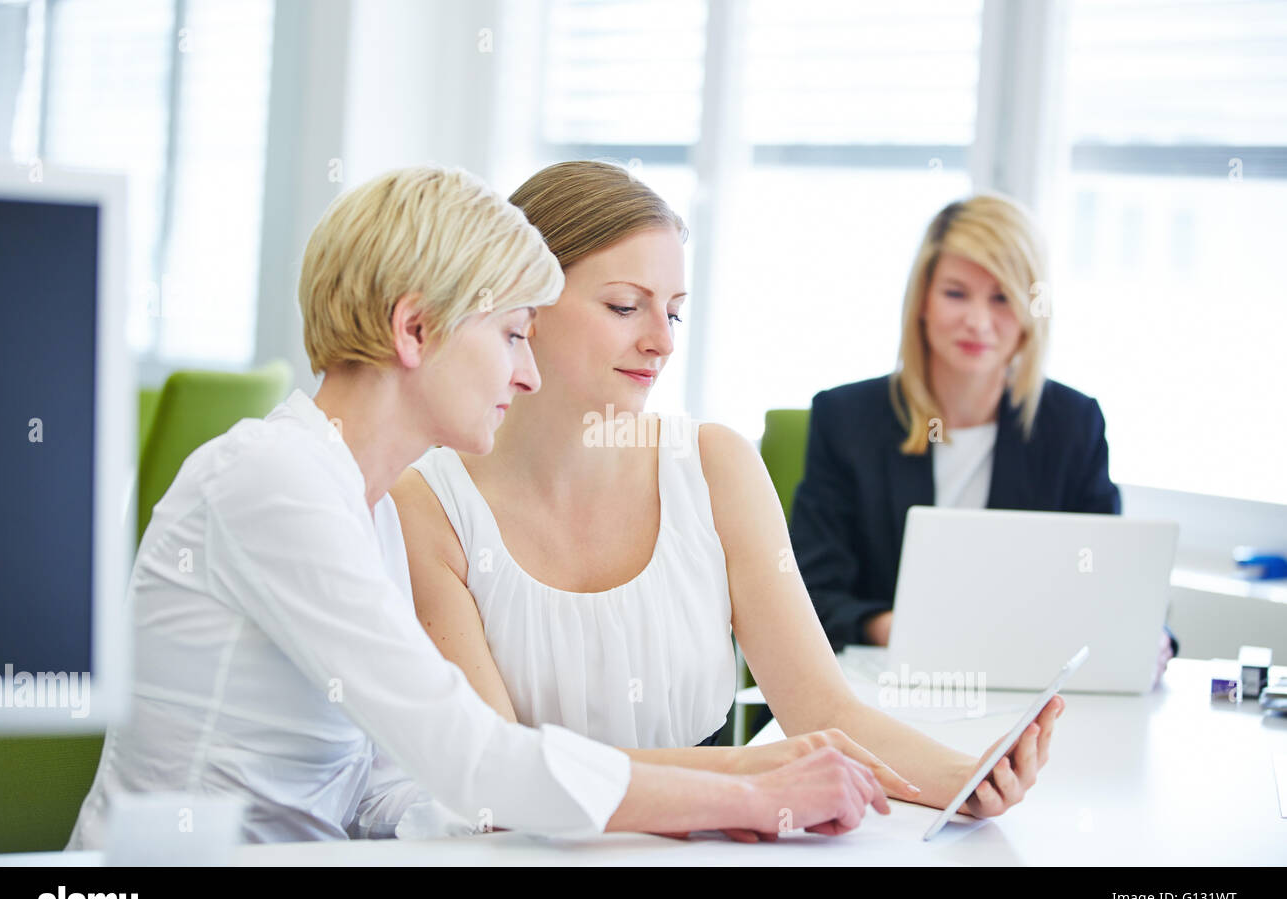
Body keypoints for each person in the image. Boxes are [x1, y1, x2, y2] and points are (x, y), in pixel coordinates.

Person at [67, 165, 887, 849]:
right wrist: (742, 792)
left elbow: (394, 789)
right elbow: (473, 758)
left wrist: (692, 792)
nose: (526, 375)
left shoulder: (368, 507)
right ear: (416, 329)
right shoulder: (276, 481)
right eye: (511, 335)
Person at [391, 161, 1063, 820]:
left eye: (674, 314)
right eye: (626, 306)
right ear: (524, 306)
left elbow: (823, 711)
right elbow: (500, 781)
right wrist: (746, 776)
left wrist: (961, 776)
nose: (661, 343)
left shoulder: (715, 467)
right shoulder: (427, 508)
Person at [789, 194, 1176, 685]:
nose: (978, 321)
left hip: (1027, 687)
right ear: (923, 301)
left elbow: (1106, 581)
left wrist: (1145, 635)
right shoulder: (846, 418)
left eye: (1001, 297)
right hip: (885, 682)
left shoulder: (1071, 424)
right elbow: (809, 593)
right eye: (956, 293)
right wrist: (903, 633)